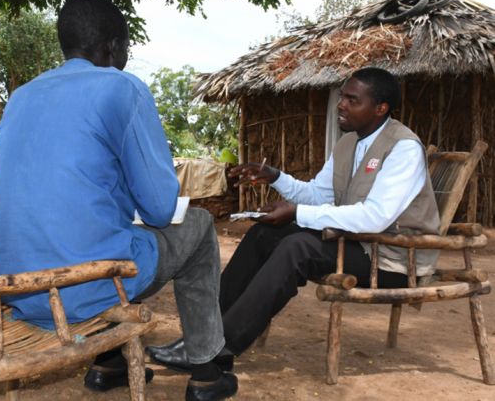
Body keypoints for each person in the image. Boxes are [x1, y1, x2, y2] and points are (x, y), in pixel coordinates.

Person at [0, 0, 237, 401]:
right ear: (112, 47)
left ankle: (108, 363)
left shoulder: (21, 97)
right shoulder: (122, 88)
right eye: (126, 48)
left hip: (19, 286)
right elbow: (158, 206)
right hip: (84, 287)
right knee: (199, 227)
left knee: (99, 230)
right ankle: (206, 370)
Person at [147, 67, 440, 371]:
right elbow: (317, 194)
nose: (341, 105)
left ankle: (220, 349)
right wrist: (274, 177)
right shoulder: (347, 144)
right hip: (358, 245)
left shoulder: (403, 148)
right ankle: (201, 337)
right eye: (342, 98)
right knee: (264, 235)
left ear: (380, 109)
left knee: (298, 246)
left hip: (392, 259)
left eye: (353, 101)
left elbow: (375, 217)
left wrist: (297, 214)